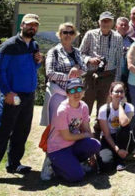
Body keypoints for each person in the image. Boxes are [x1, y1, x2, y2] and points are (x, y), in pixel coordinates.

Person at [40, 22, 86, 180]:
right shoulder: (54, 52)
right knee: (54, 130)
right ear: (59, 35)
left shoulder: (77, 52)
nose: (67, 35)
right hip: (57, 94)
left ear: (74, 35)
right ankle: (48, 163)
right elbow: (50, 73)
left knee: (72, 127)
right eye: (64, 32)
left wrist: (78, 71)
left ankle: (69, 159)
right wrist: (70, 76)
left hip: (73, 96)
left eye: (71, 32)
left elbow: (85, 69)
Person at [0, 13, 43, 174]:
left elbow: (33, 67)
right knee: (3, 132)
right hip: (12, 95)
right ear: (21, 25)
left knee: (22, 131)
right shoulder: (9, 45)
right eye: (29, 24)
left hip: (28, 95)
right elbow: (0, 70)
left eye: (35, 25)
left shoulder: (34, 45)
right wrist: (7, 92)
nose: (32, 27)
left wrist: (38, 62)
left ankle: (14, 164)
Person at [47, 78, 101, 182]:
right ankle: (53, 166)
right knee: (77, 176)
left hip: (73, 145)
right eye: (72, 90)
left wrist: (92, 155)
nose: (76, 93)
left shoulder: (84, 106)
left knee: (95, 144)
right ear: (67, 94)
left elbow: (87, 130)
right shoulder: (62, 110)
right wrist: (84, 135)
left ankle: (74, 162)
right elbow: (67, 137)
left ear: (84, 91)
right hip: (58, 149)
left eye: (79, 89)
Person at [80, 11, 123, 123]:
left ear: (112, 23)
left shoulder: (118, 37)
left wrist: (116, 82)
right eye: (103, 21)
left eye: (108, 21)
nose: (106, 23)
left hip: (108, 76)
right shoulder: (90, 34)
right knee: (85, 105)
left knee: (103, 108)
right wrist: (89, 60)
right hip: (90, 75)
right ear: (99, 22)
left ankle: (99, 133)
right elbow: (80, 53)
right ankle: (82, 133)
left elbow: (119, 61)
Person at [98, 81, 135, 171]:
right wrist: (117, 150)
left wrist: (121, 106)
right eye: (116, 91)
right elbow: (106, 135)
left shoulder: (129, 107)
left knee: (124, 127)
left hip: (123, 138)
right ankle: (117, 154)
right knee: (105, 166)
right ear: (111, 94)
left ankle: (120, 159)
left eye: (121, 92)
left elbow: (124, 123)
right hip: (109, 138)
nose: (119, 94)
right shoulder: (103, 109)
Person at [115, 17, 135, 90]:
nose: (123, 27)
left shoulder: (131, 41)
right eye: (121, 25)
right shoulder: (110, 38)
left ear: (128, 27)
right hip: (113, 72)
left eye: (125, 25)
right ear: (116, 26)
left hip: (127, 73)